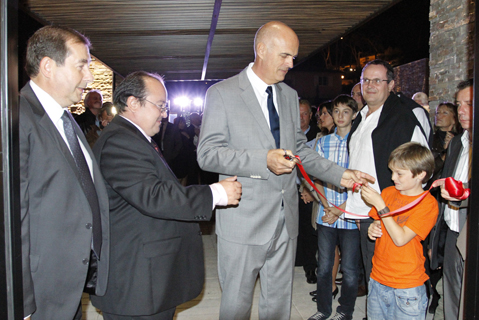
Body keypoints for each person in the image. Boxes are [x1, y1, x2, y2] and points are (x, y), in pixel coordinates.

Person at [197, 21, 373, 320]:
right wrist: (263, 159)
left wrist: (341, 175)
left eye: (293, 57)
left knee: (278, 304)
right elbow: (207, 155)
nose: (291, 63)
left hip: (285, 218)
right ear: (262, 50)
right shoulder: (223, 93)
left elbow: (300, 150)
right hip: (244, 220)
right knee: (236, 305)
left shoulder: (289, 96)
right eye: (285, 56)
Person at [90, 71, 242, 320]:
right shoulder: (120, 141)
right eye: (159, 106)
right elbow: (154, 195)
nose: (164, 113)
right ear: (133, 103)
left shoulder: (133, 138)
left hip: (149, 281)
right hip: (137, 285)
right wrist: (214, 193)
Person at [20, 25, 110, 320]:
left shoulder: (65, 118)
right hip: (41, 292)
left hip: (69, 285)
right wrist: (22, 301)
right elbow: (12, 218)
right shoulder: (17, 118)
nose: (89, 76)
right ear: (48, 66)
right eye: (81, 65)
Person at [346, 60, 432, 305]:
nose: (370, 86)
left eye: (377, 80)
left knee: (394, 279)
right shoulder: (361, 117)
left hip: (390, 212)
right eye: (365, 80)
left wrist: (400, 209)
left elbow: (422, 165)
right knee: (374, 276)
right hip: (363, 210)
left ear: (391, 84)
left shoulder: (403, 116)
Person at [362, 142, 438, 320]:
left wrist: (380, 205)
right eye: (392, 171)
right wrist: (373, 228)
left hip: (407, 286)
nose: (393, 177)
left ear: (420, 174)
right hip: (378, 278)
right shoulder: (389, 192)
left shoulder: (427, 203)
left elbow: (400, 238)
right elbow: (378, 223)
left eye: (399, 173)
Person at [308, 95, 360, 320]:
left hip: (350, 214)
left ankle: (345, 310)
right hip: (326, 213)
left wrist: (340, 209)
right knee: (325, 266)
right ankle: (323, 309)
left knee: (349, 270)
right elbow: (315, 177)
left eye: (345, 111)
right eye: (335, 111)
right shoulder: (322, 142)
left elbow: (361, 182)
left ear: (354, 115)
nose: (340, 116)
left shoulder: (360, 141)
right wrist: (327, 206)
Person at [429, 79, 473, 320]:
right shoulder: (457, 142)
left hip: (474, 233)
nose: (463, 110)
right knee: (452, 296)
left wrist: (463, 192)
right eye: (459, 104)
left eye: (470, 103)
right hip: (451, 230)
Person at [296, 99, 320, 284]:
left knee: (308, 230)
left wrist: (309, 188)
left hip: (310, 189)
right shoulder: (287, 134)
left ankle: (310, 267)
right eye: (299, 114)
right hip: (290, 188)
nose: (302, 118)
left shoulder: (317, 136)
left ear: (311, 116)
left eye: (305, 114)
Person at [429, 102, 461, 184]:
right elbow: (427, 170)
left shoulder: (461, 140)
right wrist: (445, 152)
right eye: (437, 113)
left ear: (454, 119)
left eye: (444, 113)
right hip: (434, 189)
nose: (439, 116)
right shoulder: (430, 139)